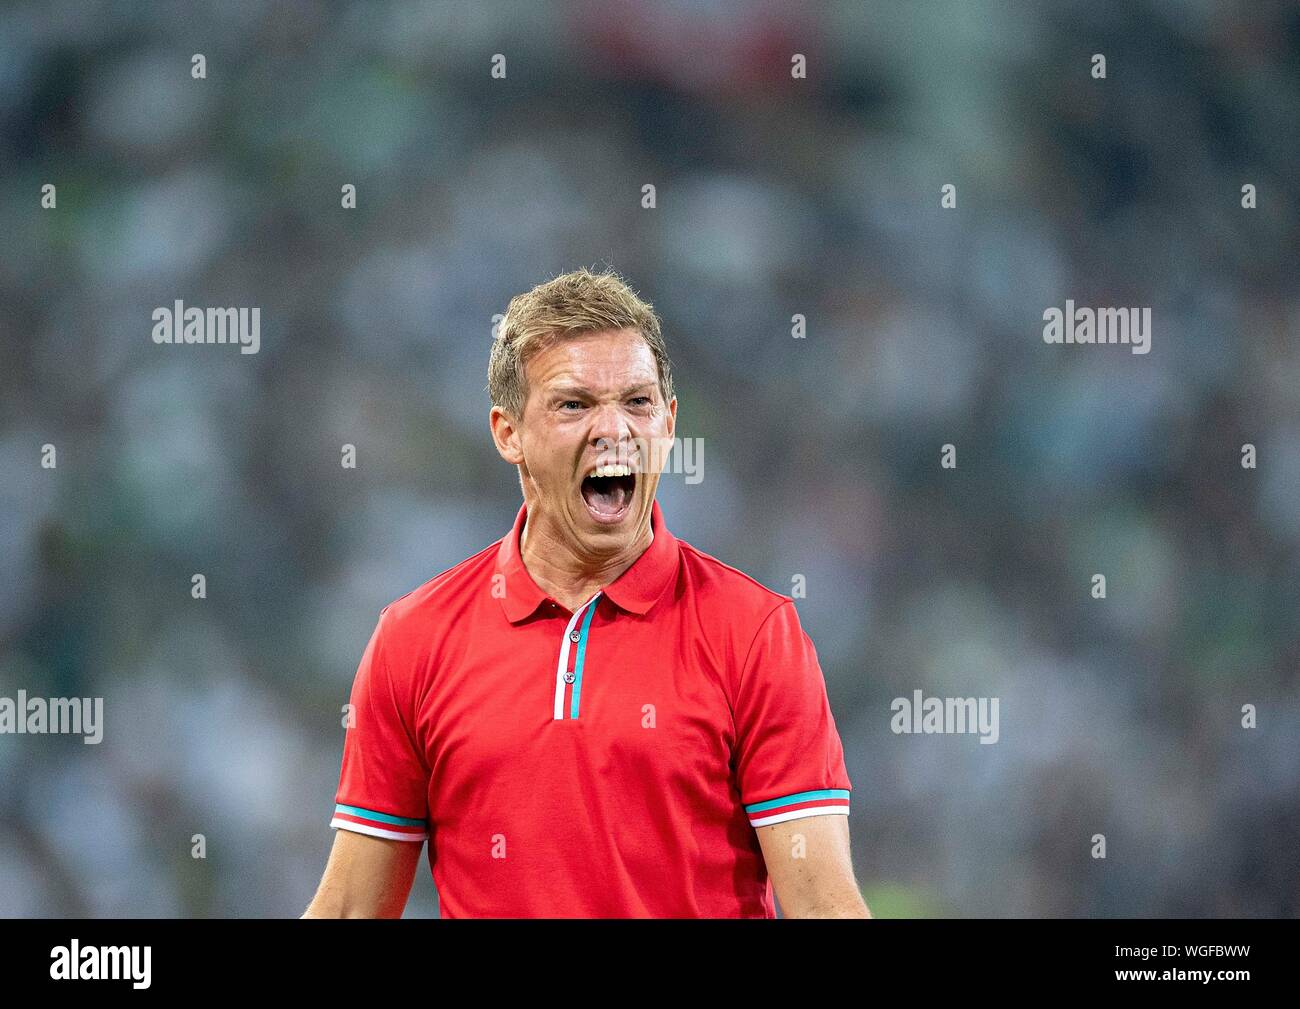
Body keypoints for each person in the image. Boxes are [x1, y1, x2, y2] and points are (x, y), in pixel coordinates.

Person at [303, 268, 869, 918]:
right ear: (507, 432)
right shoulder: (415, 639)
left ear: (669, 422)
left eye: (637, 401)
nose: (614, 429)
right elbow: (350, 907)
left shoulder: (756, 633)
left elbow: (823, 905)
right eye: (574, 404)